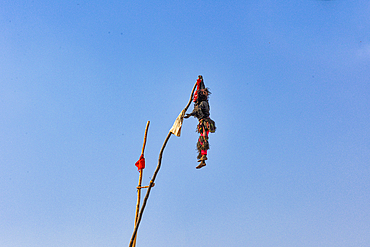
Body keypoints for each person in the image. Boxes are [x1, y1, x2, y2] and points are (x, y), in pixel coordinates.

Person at [184, 75, 216, 169]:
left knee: (203, 138)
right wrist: (200, 81)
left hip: (205, 123)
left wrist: (190, 114)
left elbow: (198, 110)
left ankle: (203, 158)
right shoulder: (199, 102)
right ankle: (202, 157)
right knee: (201, 140)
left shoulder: (203, 103)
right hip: (202, 123)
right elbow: (201, 89)